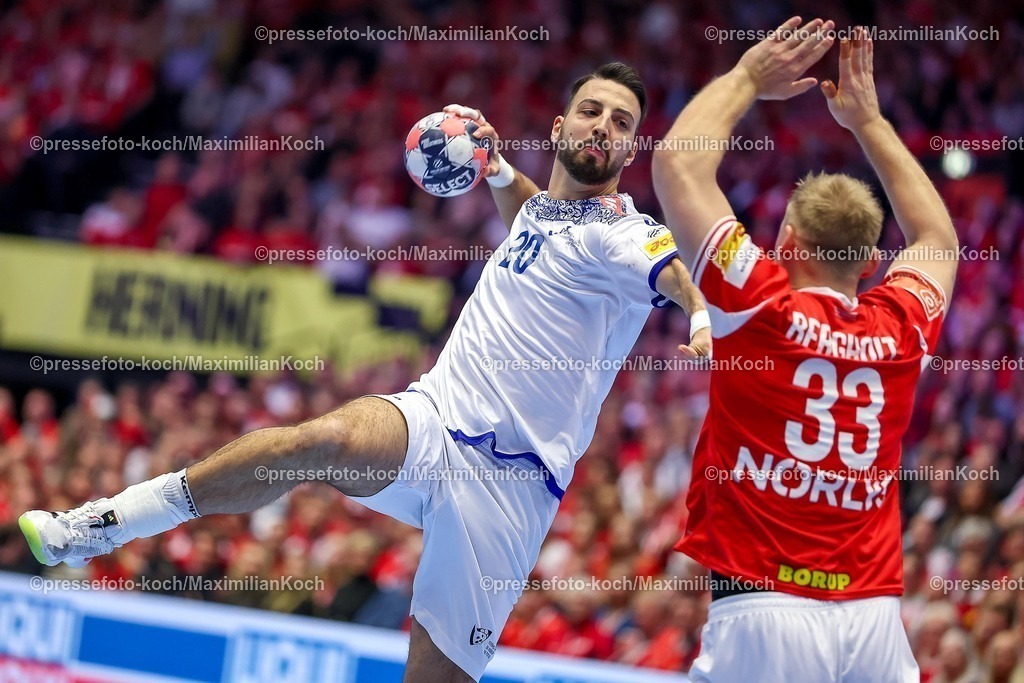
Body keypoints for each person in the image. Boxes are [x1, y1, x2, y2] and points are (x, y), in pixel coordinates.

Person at [20, 62, 711, 683]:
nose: (605, 127)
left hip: (512, 489)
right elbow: (532, 214)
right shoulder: (540, 209)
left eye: (622, 123)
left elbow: (673, 272)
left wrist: (704, 315)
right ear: (563, 124)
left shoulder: (626, 231)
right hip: (435, 419)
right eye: (593, 110)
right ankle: (99, 525)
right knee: (312, 440)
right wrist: (497, 169)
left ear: (630, 149)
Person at [651, 19, 958, 682]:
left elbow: (677, 161)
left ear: (785, 242)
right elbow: (937, 236)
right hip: (873, 615)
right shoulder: (902, 325)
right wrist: (868, 121)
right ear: (874, 262)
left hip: (763, 608)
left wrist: (747, 79)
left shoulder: (757, 304)